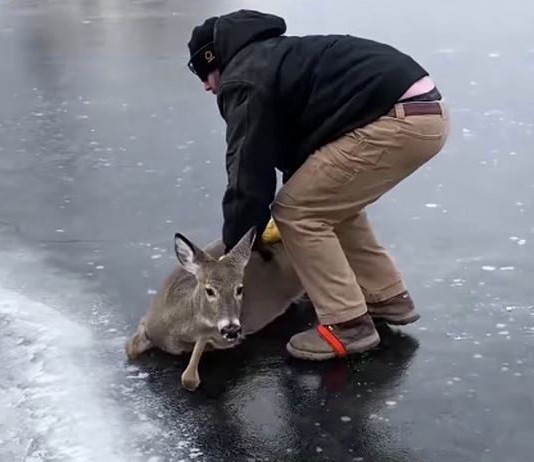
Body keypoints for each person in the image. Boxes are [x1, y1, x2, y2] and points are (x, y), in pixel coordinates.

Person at [186, 9, 449, 361]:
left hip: (395, 120)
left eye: (203, 73)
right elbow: (300, 150)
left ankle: (347, 325)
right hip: (425, 114)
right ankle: (385, 296)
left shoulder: (243, 78)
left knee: (298, 212)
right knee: (325, 201)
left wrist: (236, 253)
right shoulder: (276, 58)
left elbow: (247, 173)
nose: (205, 85)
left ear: (214, 58)